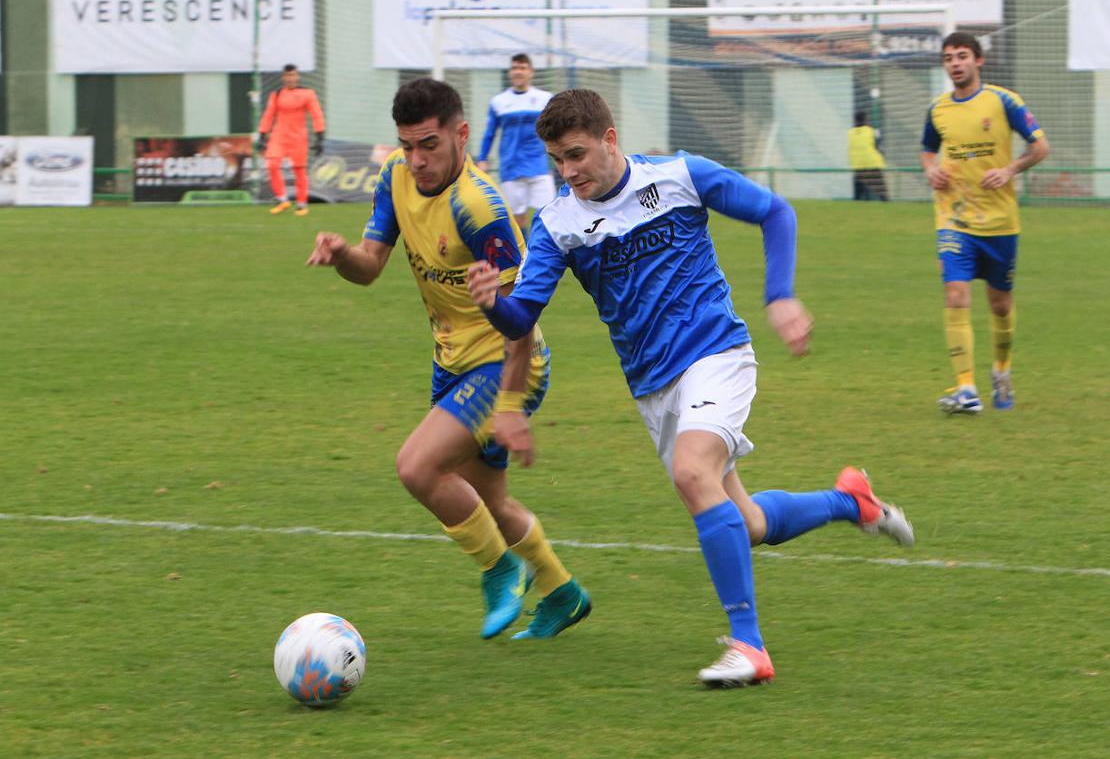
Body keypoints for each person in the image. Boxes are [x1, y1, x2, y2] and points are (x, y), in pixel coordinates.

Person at [466, 89, 914, 687]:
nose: (568, 172)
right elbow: (523, 318)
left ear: (609, 139)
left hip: (716, 355)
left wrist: (780, 295)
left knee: (691, 471)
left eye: (576, 155)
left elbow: (776, 212)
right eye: (557, 161)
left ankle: (749, 646)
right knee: (747, 523)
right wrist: (494, 303)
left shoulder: (679, 176)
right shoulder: (558, 223)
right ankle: (851, 501)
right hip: (653, 387)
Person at [305, 78, 590, 640]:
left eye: (429, 145)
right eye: (407, 146)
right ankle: (561, 592)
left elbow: (522, 324)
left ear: (461, 134)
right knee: (487, 499)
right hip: (453, 361)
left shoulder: (480, 209)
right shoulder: (395, 177)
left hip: (507, 363)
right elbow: (370, 265)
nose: (417, 160)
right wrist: (342, 256)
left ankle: (500, 569)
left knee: (416, 466)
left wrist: (509, 407)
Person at [920, 32, 1049, 414]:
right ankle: (966, 389)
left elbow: (1040, 146)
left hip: (1000, 222)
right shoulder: (937, 109)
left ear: (978, 61)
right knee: (955, 294)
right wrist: (931, 170)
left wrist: (1011, 169)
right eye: (948, 58)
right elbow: (928, 149)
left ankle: (1002, 371)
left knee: (1000, 305)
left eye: (962, 56)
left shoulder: (1004, 101)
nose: (955, 63)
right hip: (954, 218)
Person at [477, 53, 555, 233]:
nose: (518, 72)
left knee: (549, 215)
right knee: (518, 219)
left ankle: (545, 254)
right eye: (514, 68)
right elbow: (490, 133)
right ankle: (526, 257)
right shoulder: (499, 102)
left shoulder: (545, 98)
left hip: (539, 166)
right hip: (511, 167)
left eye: (522, 68)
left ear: (531, 72)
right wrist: (482, 158)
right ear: (510, 73)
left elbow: (556, 129)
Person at [258, 63, 326, 216]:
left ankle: (302, 204)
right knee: (272, 164)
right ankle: (283, 199)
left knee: (299, 170)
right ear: (283, 77)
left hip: (298, 137)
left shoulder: (307, 93)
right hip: (278, 135)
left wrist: (320, 136)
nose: (290, 78)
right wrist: (262, 134)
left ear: (297, 76)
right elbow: (269, 115)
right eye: (288, 76)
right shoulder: (277, 94)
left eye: (293, 75)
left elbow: (316, 114)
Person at [848, 110, 889, 201]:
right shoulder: (872, 131)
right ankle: (886, 204)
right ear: (866, 120)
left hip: (858, 166)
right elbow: (879, 147)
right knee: (882, 192)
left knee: (858, 194)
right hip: (873, 165)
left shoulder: (850, 133)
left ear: (855, 120)